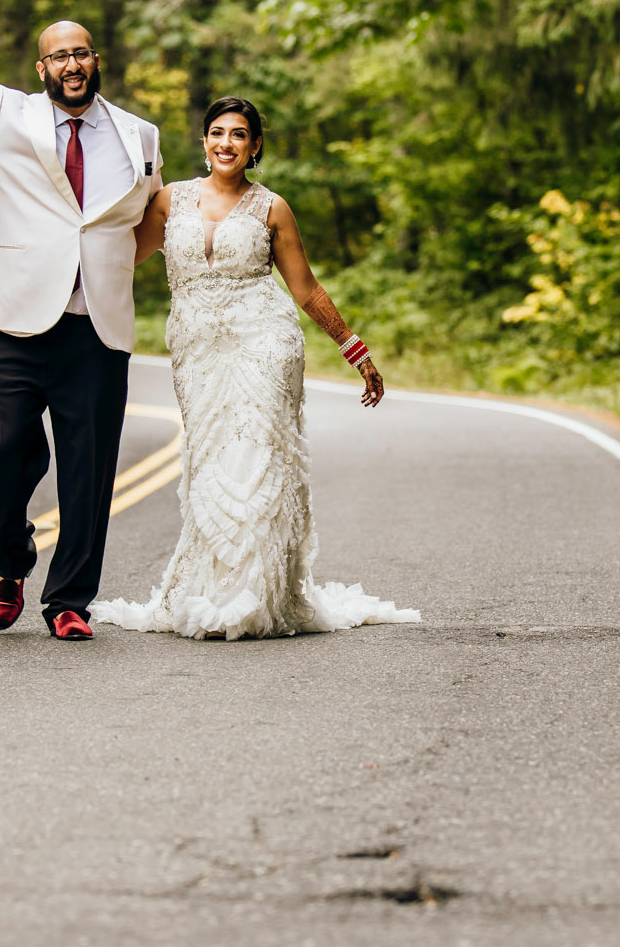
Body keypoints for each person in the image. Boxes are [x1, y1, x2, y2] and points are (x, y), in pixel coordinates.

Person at [90, 96, 419, 640]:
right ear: (203, 141)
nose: (226, 143)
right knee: (211, 457)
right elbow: (118, 257)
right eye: (216, 133)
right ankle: (210, 588)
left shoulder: (272, 208)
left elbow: (305, 289)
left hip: (265, 341)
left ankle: (257, 597)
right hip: (196, 350)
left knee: (258, 456)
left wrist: (356, 351)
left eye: (238, 135)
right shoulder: (172, 200)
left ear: (255, 145)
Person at [0, 19, 161, 641]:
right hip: (11, 320)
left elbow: (141, 218)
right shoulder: (2, 114)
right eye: (58, 56)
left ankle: (69, 601)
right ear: (41, 69)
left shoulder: (139, 134)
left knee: (89, 471)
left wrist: (110, 268)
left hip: (95, 326)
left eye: (81, 54)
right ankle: (12, 558)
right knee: (4, 452)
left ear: (97, 60)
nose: (72, 64)